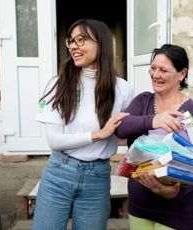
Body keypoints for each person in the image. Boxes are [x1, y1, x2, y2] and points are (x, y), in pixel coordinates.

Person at [32, 18, 134, 230]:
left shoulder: (123, 89)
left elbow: (123, 133)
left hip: (97, 178)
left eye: (81, 40)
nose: (74, 46)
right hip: (59, 172)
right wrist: (98, 134)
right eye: (71, 41)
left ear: (101, 44)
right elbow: (54, 141)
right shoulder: (58, 84)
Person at [115, 44, 193, 230]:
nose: (155, 75)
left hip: (181, 214)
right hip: (140, 209)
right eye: (153, 68)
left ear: (182, 74)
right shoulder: (143, 102)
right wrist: (154, 120)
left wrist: (171, 192)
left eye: (163, 70)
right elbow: (120, 128)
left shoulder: (192, 114)